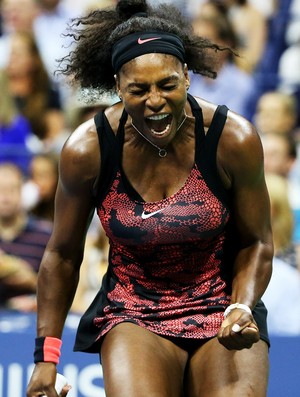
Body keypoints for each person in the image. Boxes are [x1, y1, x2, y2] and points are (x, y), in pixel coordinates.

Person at [26, 1, 273, 397]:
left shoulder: (232, 139)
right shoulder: (87, 150)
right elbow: (62, 255)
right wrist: (46, 358)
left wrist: (242, 306)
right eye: (138, 89)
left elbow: (257, 241)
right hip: (133, 312)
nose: (154, 101)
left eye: (167, 85)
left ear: (187, 77)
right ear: (117, 87)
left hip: (222, 306)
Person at [0, 163, 52, 310]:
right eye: (1, 190)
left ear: (22, 192)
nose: (5, 197)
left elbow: (58, 287)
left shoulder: (46, 236)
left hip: (32, 317)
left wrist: (31, 281)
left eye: (11, 190)